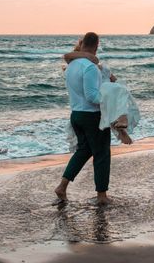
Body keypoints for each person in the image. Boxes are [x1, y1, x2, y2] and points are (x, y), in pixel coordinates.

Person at [54, 32, 112, 206]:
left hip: (76, 115)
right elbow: (92, 96)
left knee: (84, 150)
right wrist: (111, 98)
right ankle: (102, 195)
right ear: (96, 45)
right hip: (92, 116)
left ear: (83, 44)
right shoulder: (89, 67)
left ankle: (62, 187)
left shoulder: (71, 66)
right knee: (101, 153)